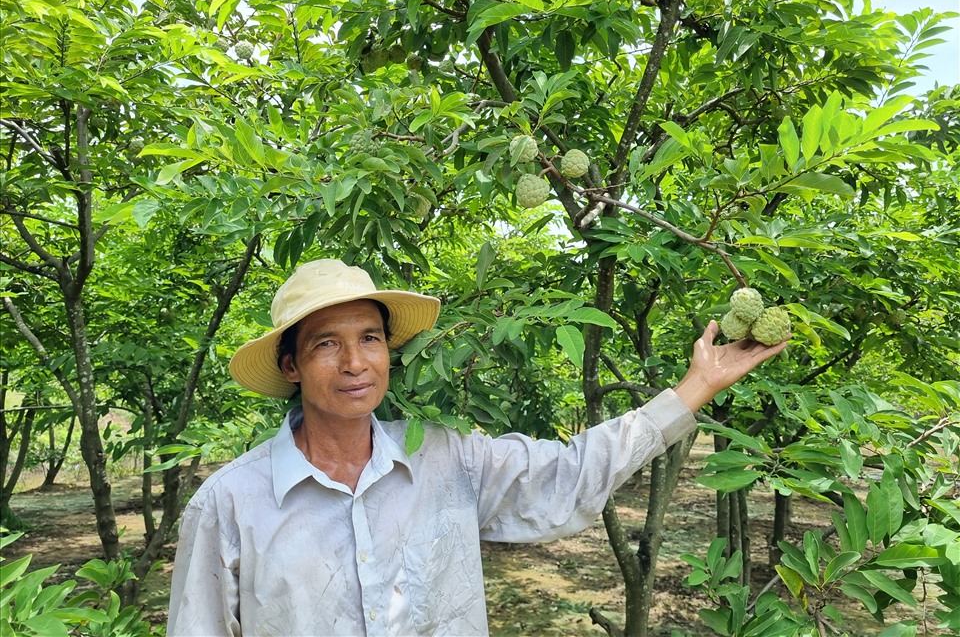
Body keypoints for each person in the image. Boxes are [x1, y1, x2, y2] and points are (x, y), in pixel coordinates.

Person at [167, 259, 787, 637]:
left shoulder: (449, 459)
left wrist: (694, 388)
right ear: (291, 365)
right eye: (327, 343)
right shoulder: (229, 504)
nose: (355, 362)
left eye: (371, 338)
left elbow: (568, 475)